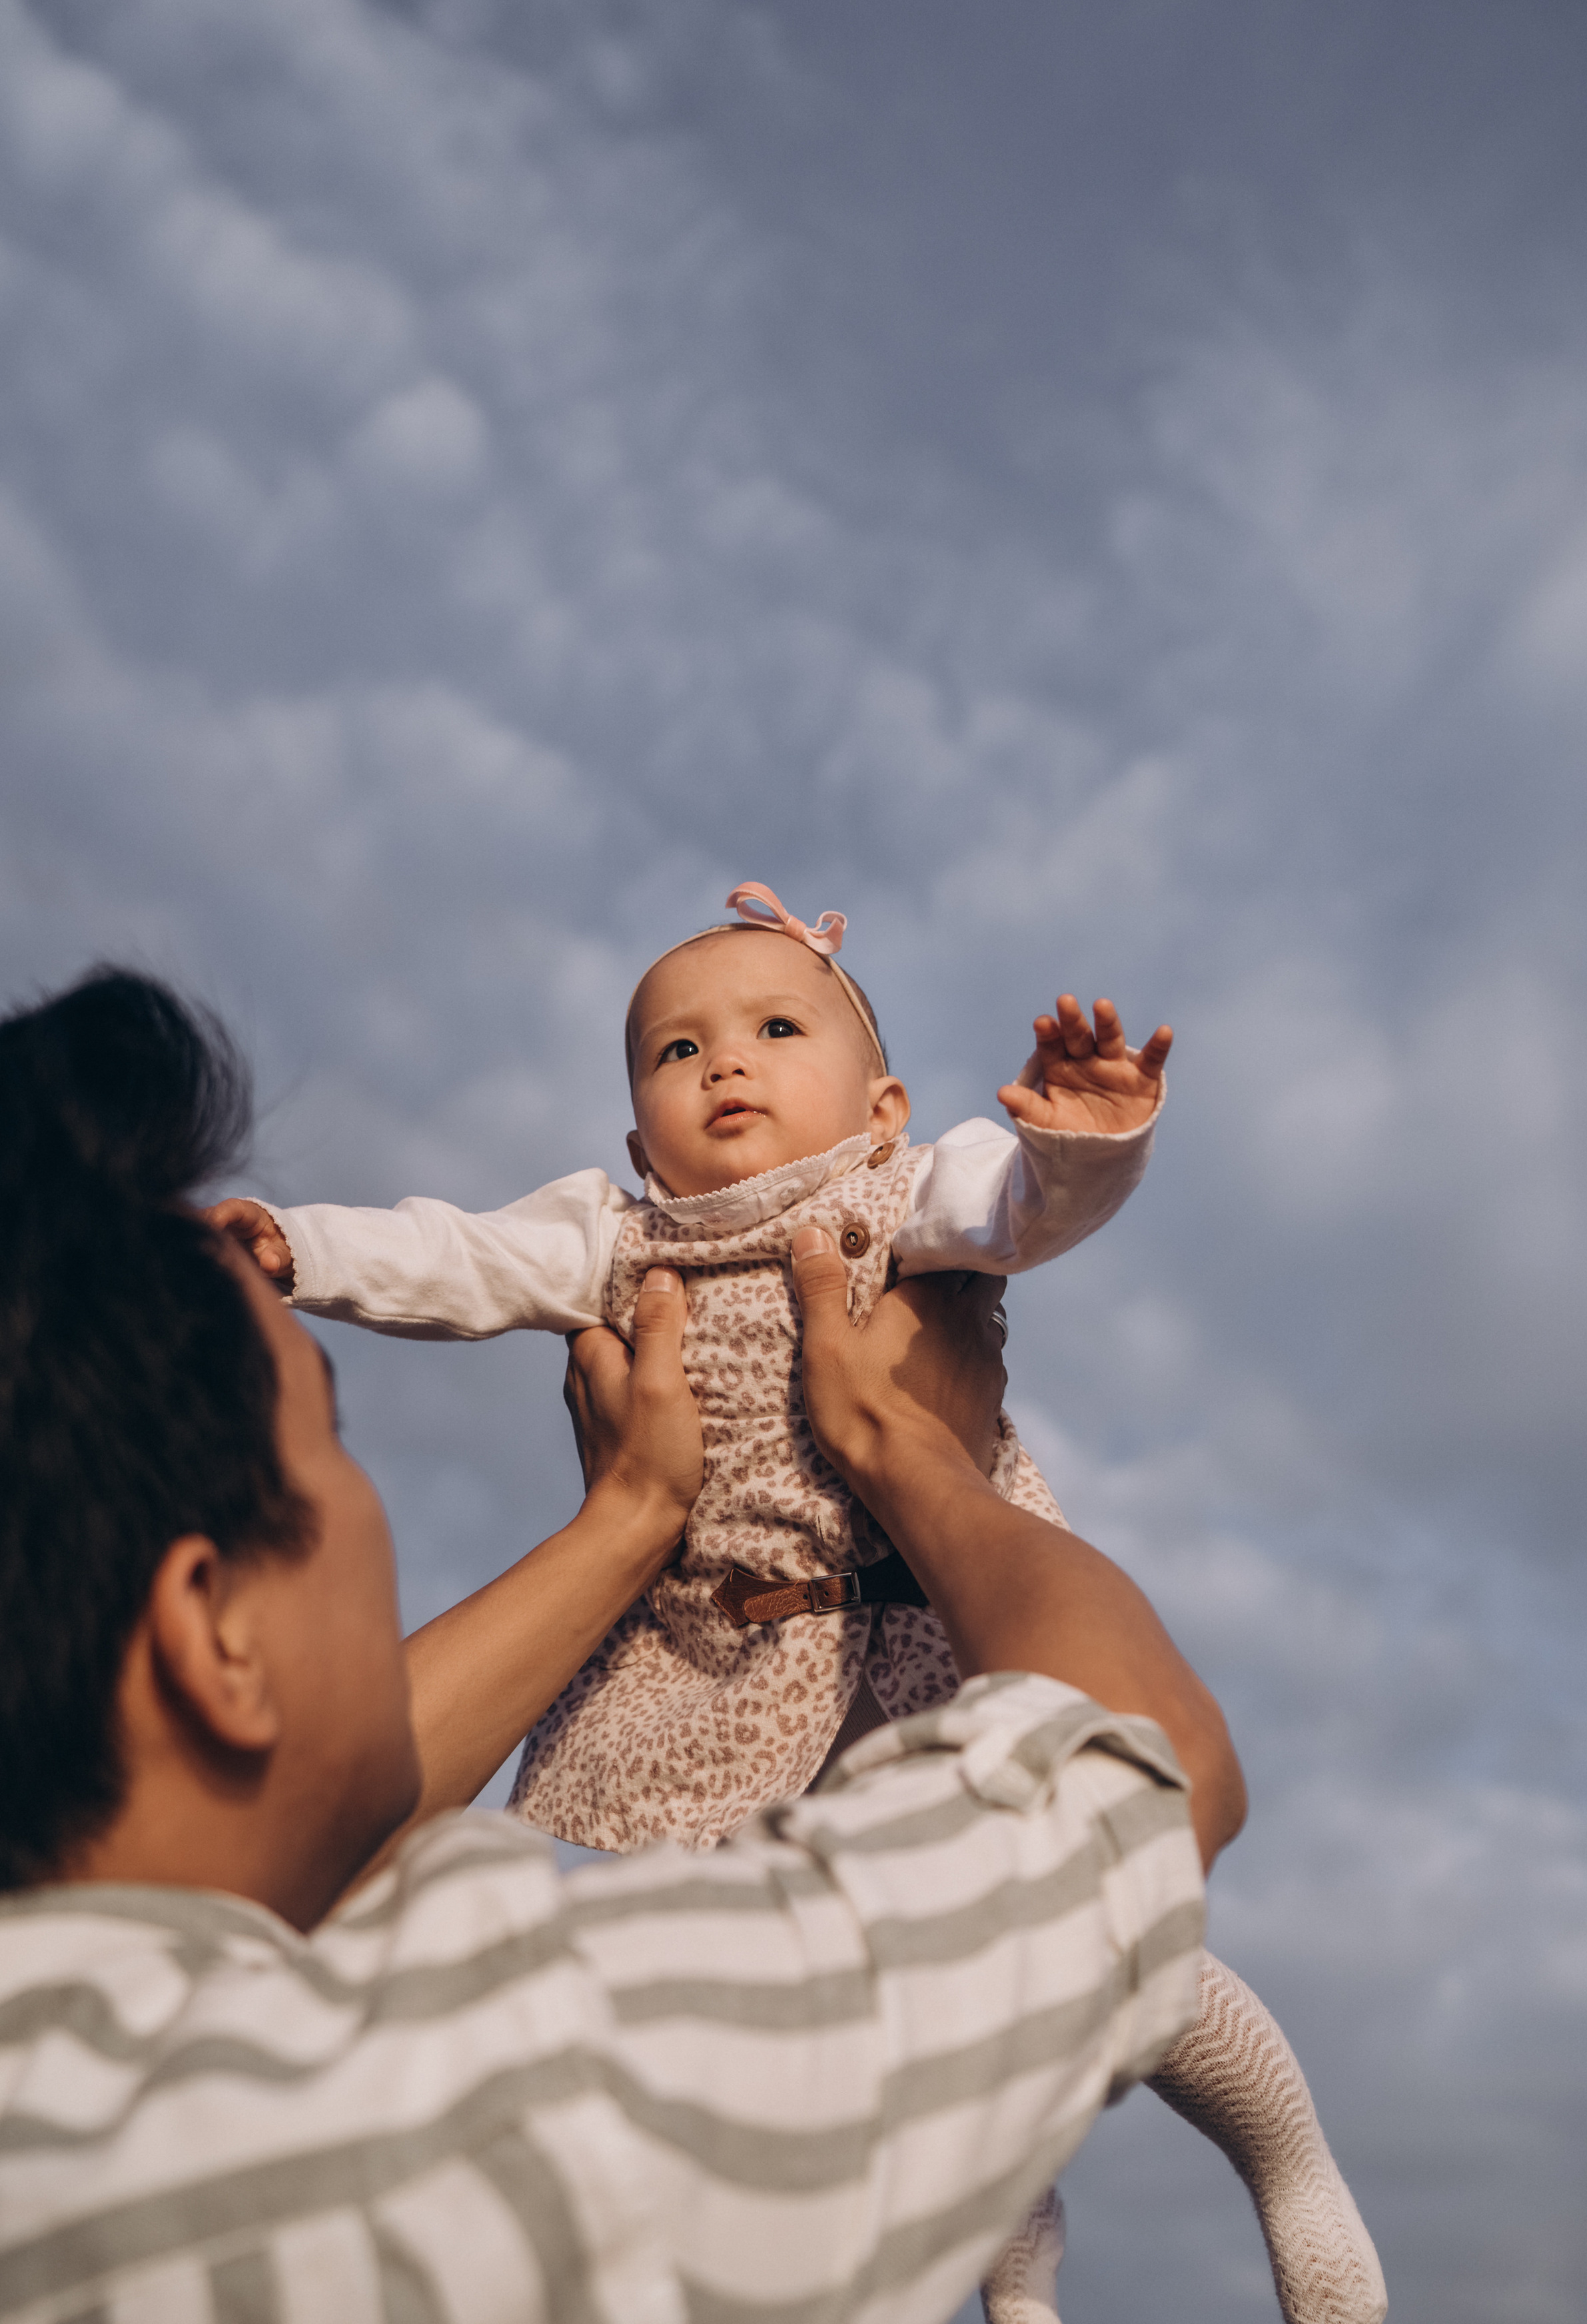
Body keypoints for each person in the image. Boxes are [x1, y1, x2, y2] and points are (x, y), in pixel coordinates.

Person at [207, 883, 1386, 2324]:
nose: (725, 1064)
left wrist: (1086, 1146)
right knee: (859, 1974)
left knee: (1102, 1921)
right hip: (712, 1666)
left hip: (917, 1616)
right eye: (675, 1051)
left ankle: (1285, 2158)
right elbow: (457, 1254)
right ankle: (1014, 2277)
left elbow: (1021, 1209)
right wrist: (305, 1254)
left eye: (774, 1028)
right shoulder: (614, 1233)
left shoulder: (900, 1195)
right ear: (638, 1136)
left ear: (881, 1106)